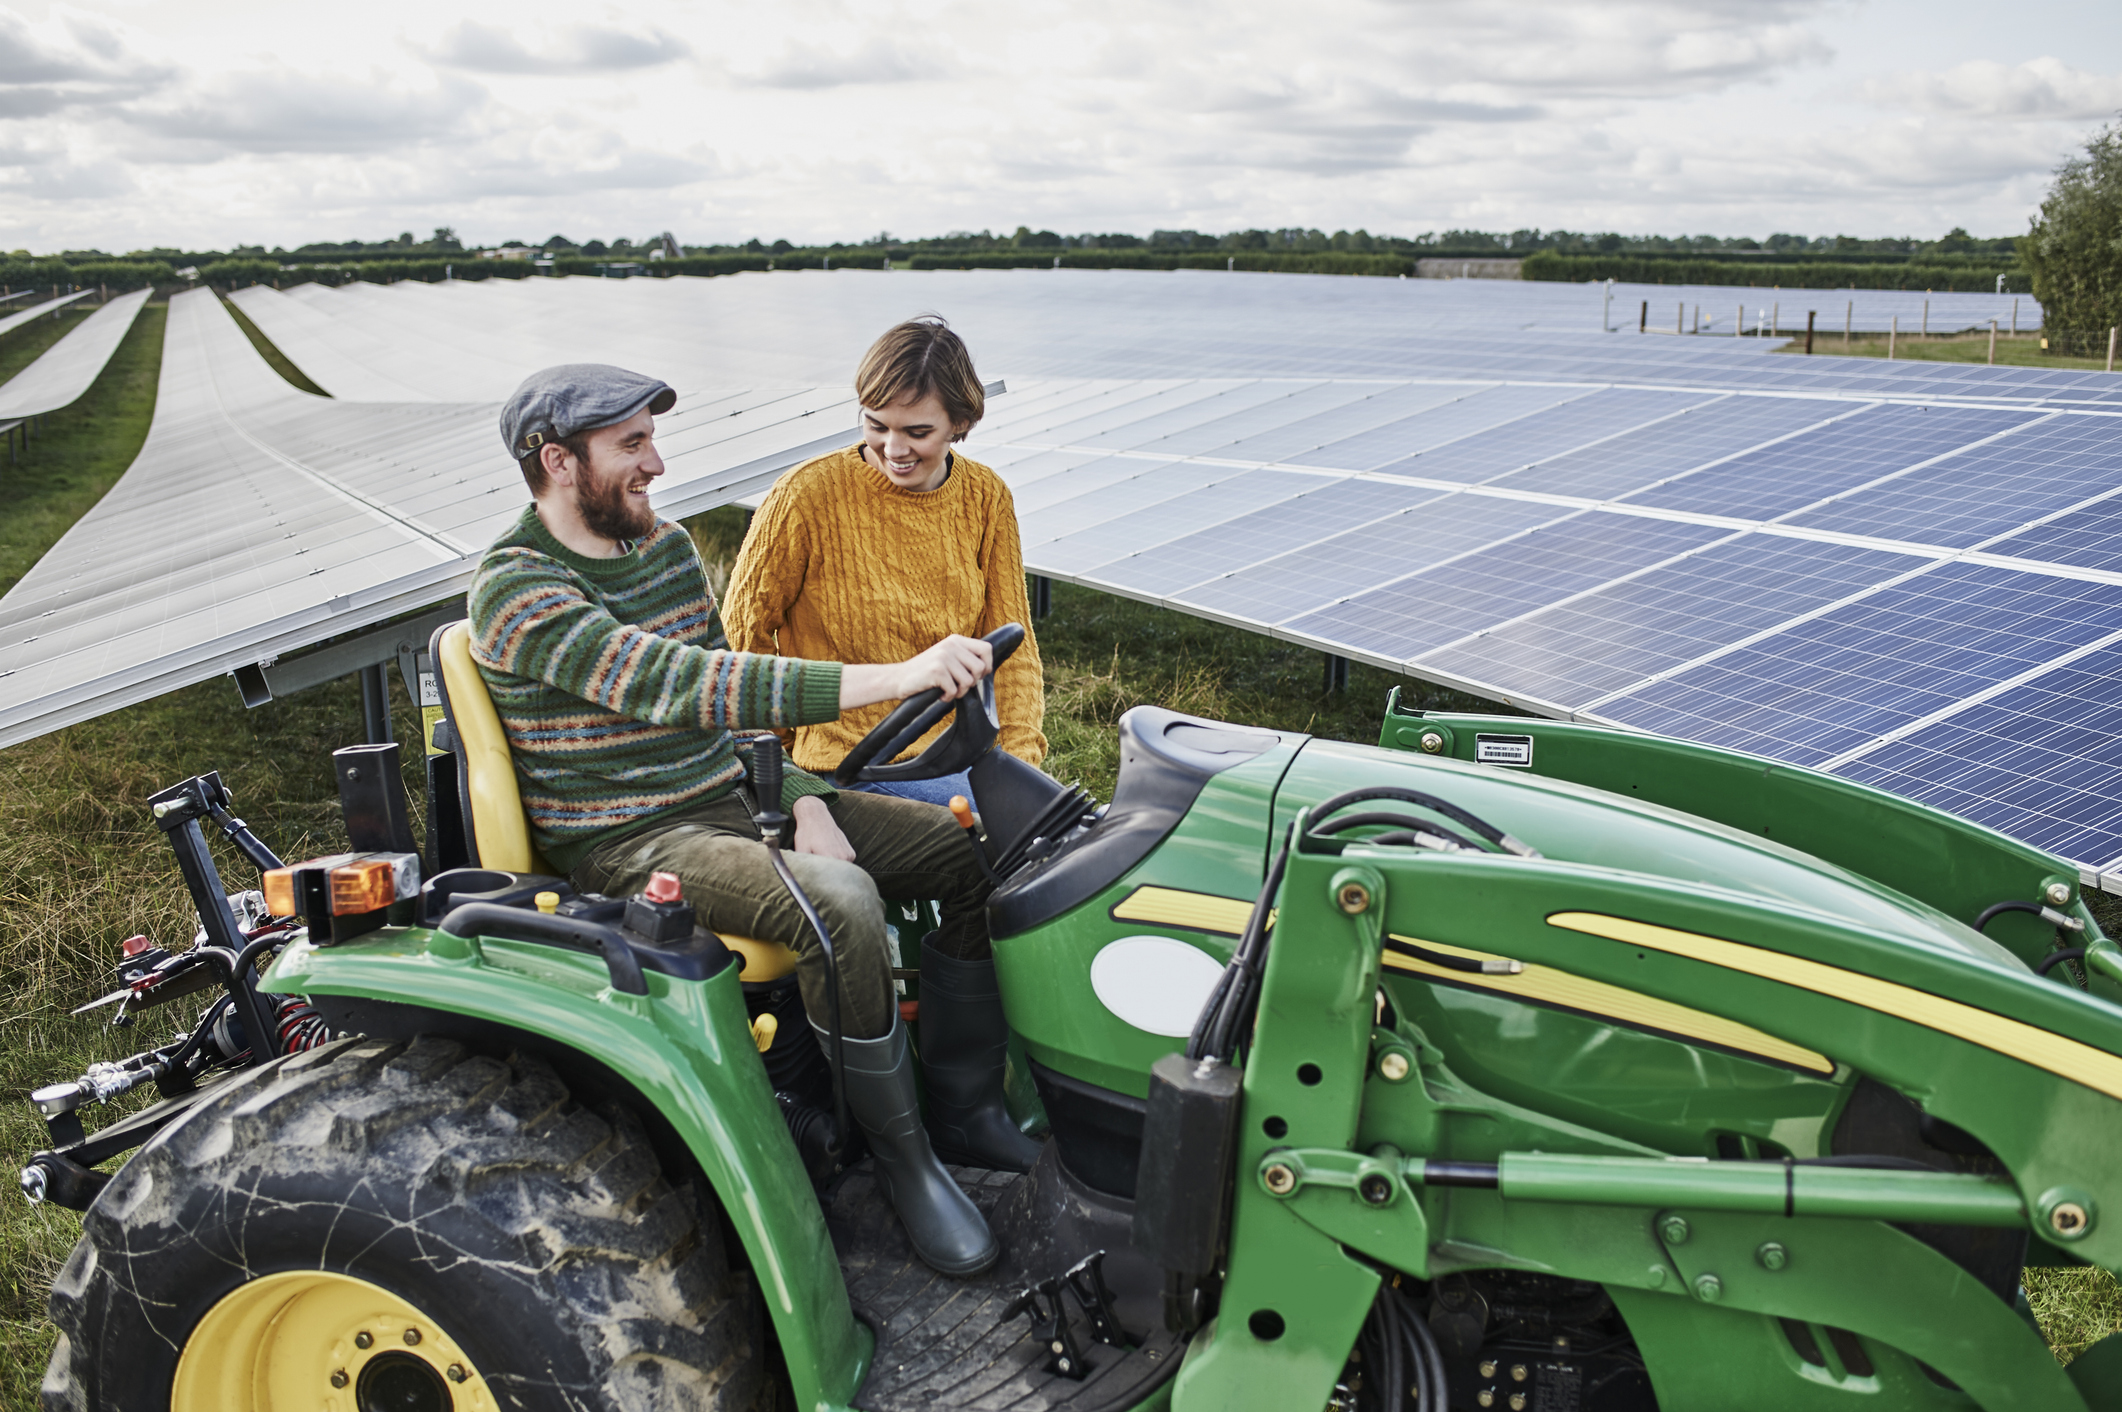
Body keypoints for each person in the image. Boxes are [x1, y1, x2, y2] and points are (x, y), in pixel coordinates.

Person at [468, 363, 1028, 1277]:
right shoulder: (515, 589)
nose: (657, 462)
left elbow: (729, 708)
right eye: (633, 444)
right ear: (559, 462)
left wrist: (803, 799)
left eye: (653, 437)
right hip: (628, 838)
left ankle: (969, 1108)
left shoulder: (668, 549)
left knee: (967, 852)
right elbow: (686, 683)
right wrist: (895, 675)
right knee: (839, 902)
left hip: (731, 795)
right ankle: (903, 1161)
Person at [722, 315, 1046, 810]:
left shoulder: (986, 496)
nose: (894, 449)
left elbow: (1012, 646)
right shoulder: (805, 495)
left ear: (960, 422)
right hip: (845, 763)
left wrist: (1021, 767)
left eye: (917, 431)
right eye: (876, 425)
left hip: (954, 755)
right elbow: (741, 644)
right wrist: (783, 765)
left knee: (1067, 824)